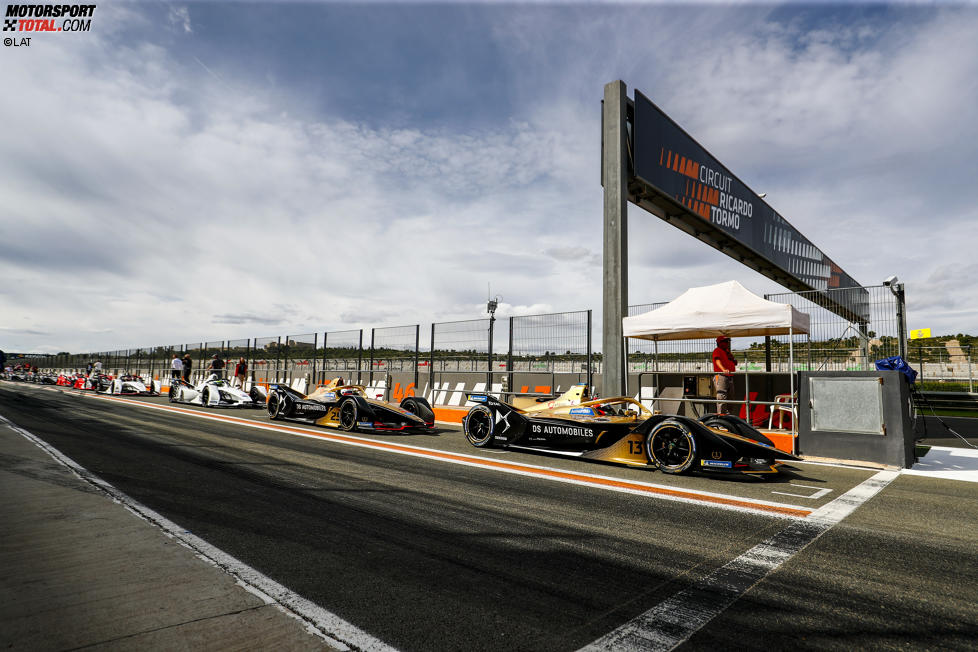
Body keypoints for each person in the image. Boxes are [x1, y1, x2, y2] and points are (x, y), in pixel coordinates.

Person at [712, 336, 736, 414]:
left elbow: (734, 362)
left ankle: (729, 419)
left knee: (730, 399)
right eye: (725, 341)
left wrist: (732, 358)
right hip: (722, 376)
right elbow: (717, 361)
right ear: (719, 343)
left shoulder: (726, 352)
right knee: (722, 398)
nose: (727, 343)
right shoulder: (717, 350)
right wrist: (723, 370)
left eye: (727, 341)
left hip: (730, 376)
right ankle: (721, 420)